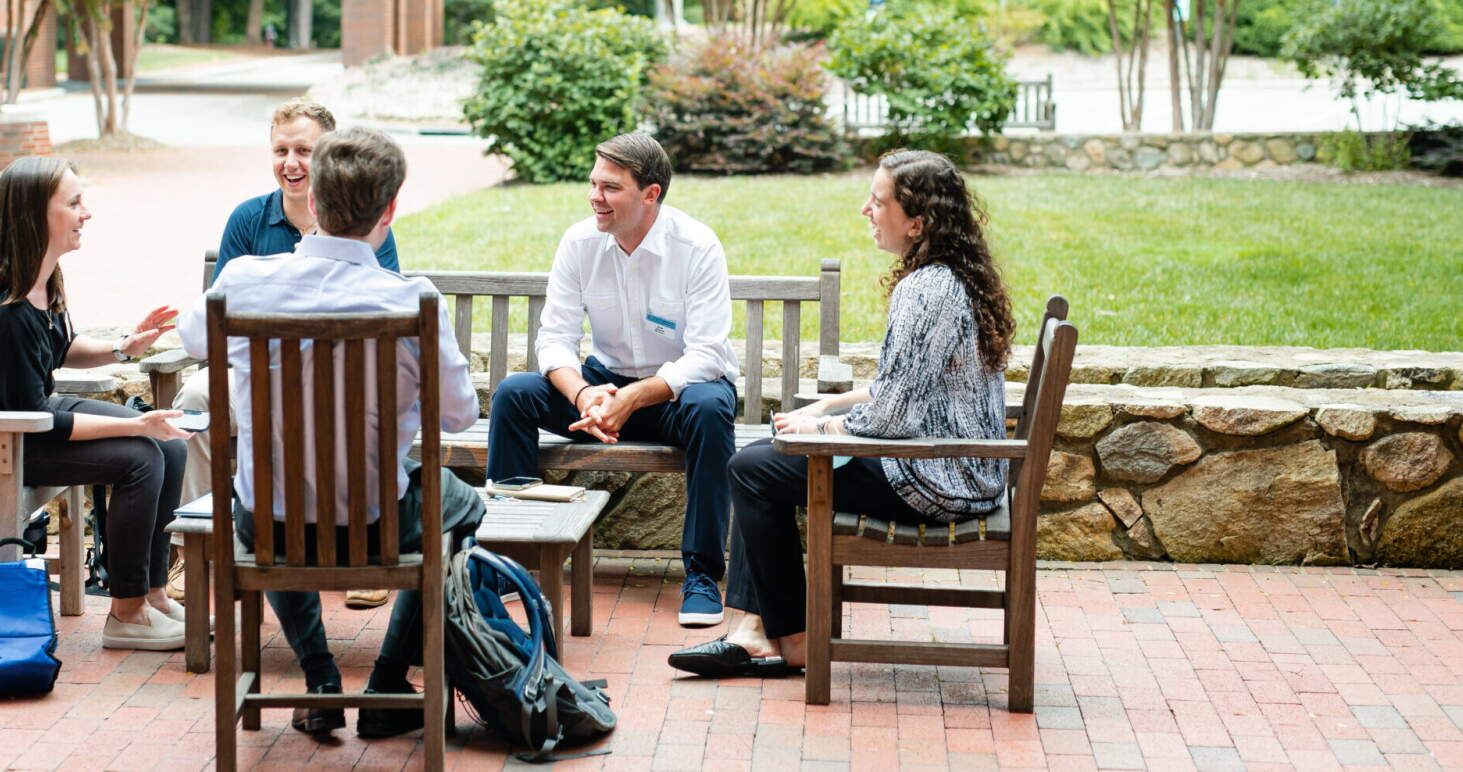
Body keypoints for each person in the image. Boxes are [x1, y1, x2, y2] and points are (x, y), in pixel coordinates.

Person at [178, 127, 486, 739]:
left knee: (269, 495)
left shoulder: (241, 282)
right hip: (378, 527)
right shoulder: (412, 298)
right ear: (390, 211)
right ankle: (385, 681)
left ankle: (321, 679)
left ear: (312, 203)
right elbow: (458, 416)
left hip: (269, 527)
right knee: (464, 503)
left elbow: (191, 339)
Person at [666, 149, 1016, 678]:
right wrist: (832, 402)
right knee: (758, 459)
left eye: (878, 201)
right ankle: (754, 632)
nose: (865, 210)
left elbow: (894, 419)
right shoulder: (951, 278)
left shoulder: (925, 291)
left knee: (752, 469)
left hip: (936, 479)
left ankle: (792, 639)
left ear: (917, 221)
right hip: (959, 468)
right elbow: (907, 387)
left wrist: (821, 427)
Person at [0, 156, 192, 651]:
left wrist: (123, 347)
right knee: (140, 457)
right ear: (35, 214)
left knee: (172, 447)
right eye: (74, 203)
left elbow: (58, 349)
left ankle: (153, 595)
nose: (86, 213)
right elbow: (40, 421)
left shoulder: (41, 279)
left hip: (26, 421)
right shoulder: (2, 308)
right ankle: (127, 612)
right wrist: (137, 427)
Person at [485, 132, 737, 627]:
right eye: (593, 183)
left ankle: (703, 575)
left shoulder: (696, 245)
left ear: (650, 194)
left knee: (711, 410)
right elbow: (553, 339)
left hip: (677, 392)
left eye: (610, 187)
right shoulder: (580, 243)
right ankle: (507, 565)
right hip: (602, 389)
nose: (594, 197)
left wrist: (636, 398)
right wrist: (583, 393)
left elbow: (706, 354)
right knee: (515, 395)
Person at [174, 99, 400, 610]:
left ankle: (368, 551)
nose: (291, 163)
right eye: (281, 150)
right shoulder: (249, 218)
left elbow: (377, 304)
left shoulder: (363, 218)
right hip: (257, 369)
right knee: (196, 392)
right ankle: (193, 547)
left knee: (377, 396)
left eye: (305, 150)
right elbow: (219, 314)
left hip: (338, 370)